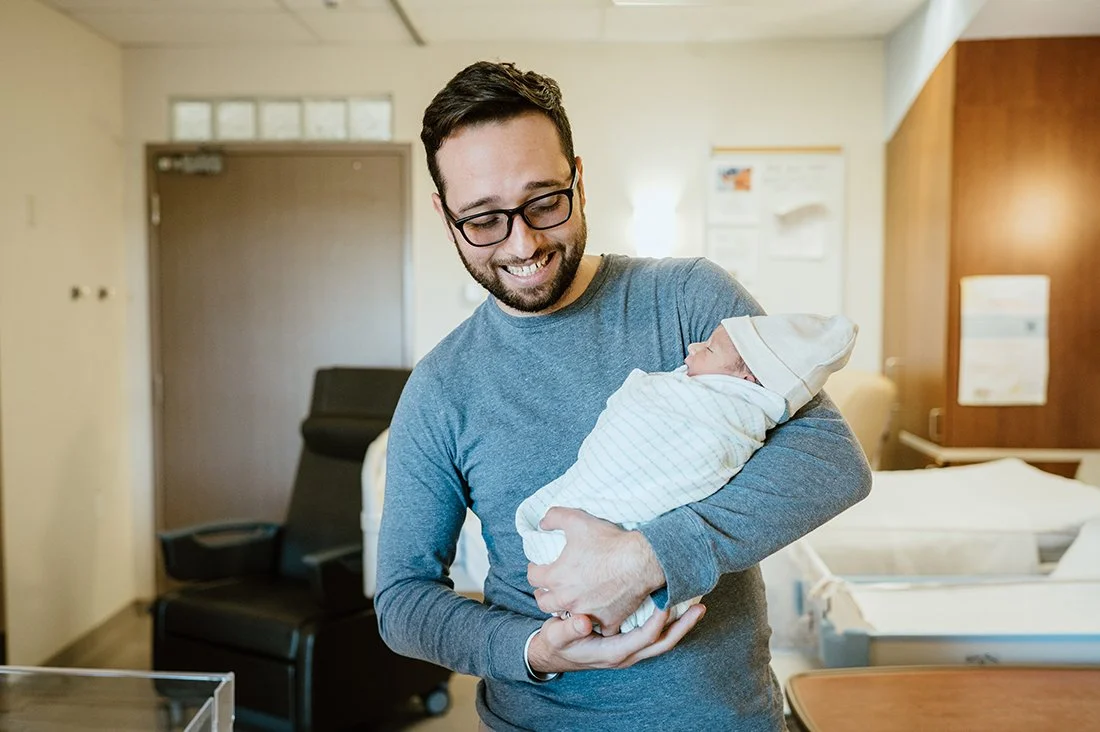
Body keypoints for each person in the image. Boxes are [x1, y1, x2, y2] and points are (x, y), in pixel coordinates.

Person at [374, 60, 871, 732]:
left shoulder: (689, 299)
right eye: (484, 219)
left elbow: (833, 463)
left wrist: (646, 559)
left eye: (544, 200)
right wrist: (533, 649)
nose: (522, 243)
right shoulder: (441, 387)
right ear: (444, 214)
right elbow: (403, 602)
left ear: (578, 178)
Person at [516, 313, 858, 634]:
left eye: (709, 348)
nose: (693, 348)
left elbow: (842, 467)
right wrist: (537, 653)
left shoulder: (726, 417)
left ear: (746, 379)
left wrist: (643, 561)